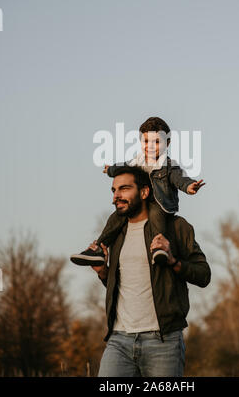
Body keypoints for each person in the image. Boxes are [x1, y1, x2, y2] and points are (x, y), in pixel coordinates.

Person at [90, 165, 211, 377]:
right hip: (119, 340)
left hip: (163, 342)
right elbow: (125, 284)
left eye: (124, 189)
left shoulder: (176, 228)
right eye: (114, 190)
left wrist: (173, 260)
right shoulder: (117, 233)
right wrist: (103, 272)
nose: (116, 196)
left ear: (145, 192)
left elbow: (204, 275)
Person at [70, 116, 205, 267]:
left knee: (156, 215)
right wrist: (110, 170)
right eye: (146, 141)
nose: (151, 146)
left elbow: (179, 179)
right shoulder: (137, 161)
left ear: (167, 143)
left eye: (157, 142)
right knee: (116, 217)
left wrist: (189, 186)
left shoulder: (169, 166)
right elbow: (123, 167)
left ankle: (158, 247)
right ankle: (98, 249)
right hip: (139, 203)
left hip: (159, 203)